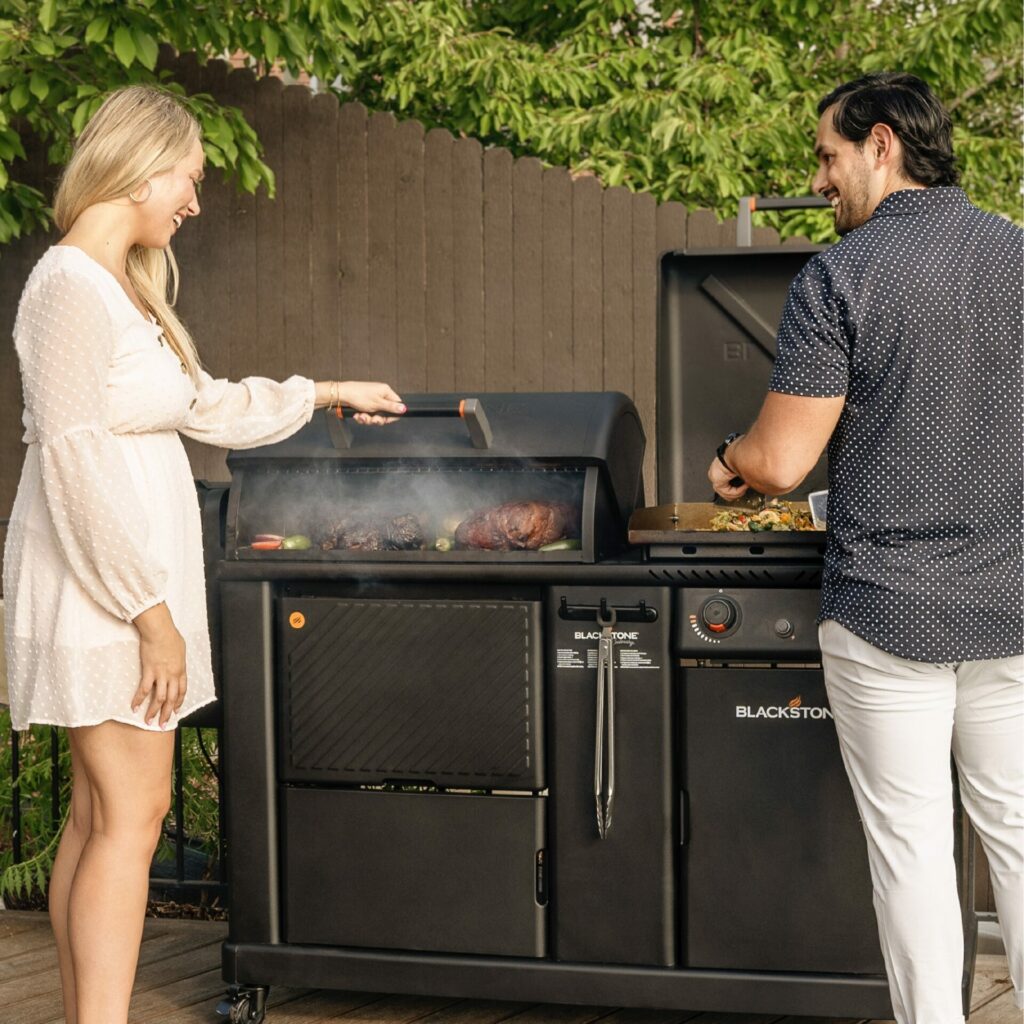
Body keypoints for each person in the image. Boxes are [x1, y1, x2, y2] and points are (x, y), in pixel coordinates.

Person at [1, 85, 406, 1024]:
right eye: (188, 178)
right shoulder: (66, 289)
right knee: (131, 820)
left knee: (100, 820)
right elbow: (71, 463)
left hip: (126, 592)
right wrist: (153, 619)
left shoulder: (113, 289)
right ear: (142, 169)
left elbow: (204, 405)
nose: (193, 200)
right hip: (107, 597)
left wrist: (327, 392)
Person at [707, 72, 1022, 1022]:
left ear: (881, 144)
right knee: (1018, 834)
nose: (821, 176)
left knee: (915, 849)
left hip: (886, 609)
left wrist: (728, 460)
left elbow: (782, 460)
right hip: (1013, 604)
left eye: (827, 155)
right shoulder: (1019, 256)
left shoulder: (840, 275)